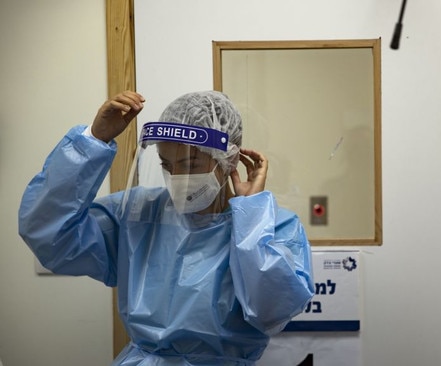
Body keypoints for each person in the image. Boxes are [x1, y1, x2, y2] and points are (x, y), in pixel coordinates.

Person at [18, 90, 315, 365]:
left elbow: (271, 310)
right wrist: (93, 141)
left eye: (188, 164)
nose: (176, 178)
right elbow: (50, 235)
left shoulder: (270, 226)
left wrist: (251, 217)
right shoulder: (138, 214)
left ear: (228, 160)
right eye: (166, 164)